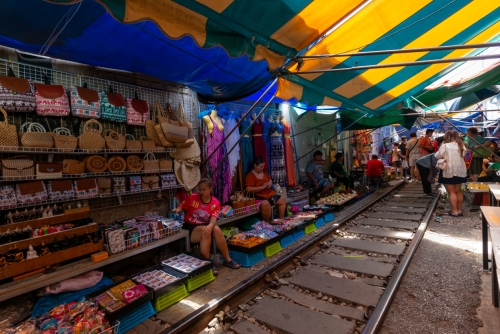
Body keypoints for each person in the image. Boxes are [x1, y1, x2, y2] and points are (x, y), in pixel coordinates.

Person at [172, 178, 240, 274]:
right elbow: (182, 206)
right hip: (190, 227)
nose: (201, 192)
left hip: (205, 226)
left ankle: (228, 259)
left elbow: (213, 218)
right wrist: (178, 209)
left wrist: (211, 225)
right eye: (200, 189)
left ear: (210, 189)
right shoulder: (192, 197)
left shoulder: (215, 203)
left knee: (215, 228)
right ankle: (207, 263)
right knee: (206, 230)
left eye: (204, 189)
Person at [435, 130, 467, 216]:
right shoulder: (462, 145)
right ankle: (459, 210)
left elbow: (437, 155)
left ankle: (454, 211)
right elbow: (463, 155)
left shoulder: (445, 146)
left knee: (451, 192)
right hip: (460, 170)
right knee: (458, 191)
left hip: (448, 170)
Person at [246, 157, 286, 222]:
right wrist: (262, 187)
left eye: (263, 166)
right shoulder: (250, 176)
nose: (262, 168)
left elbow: (270, 180)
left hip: (268, 194)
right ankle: (267, 224)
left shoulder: (264, 172)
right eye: (260, 167)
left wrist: (270, 183)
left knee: (282, 199)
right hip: (258, 196)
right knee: (265, 204)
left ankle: (281, 220)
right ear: (255, 165)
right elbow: (248, 189)